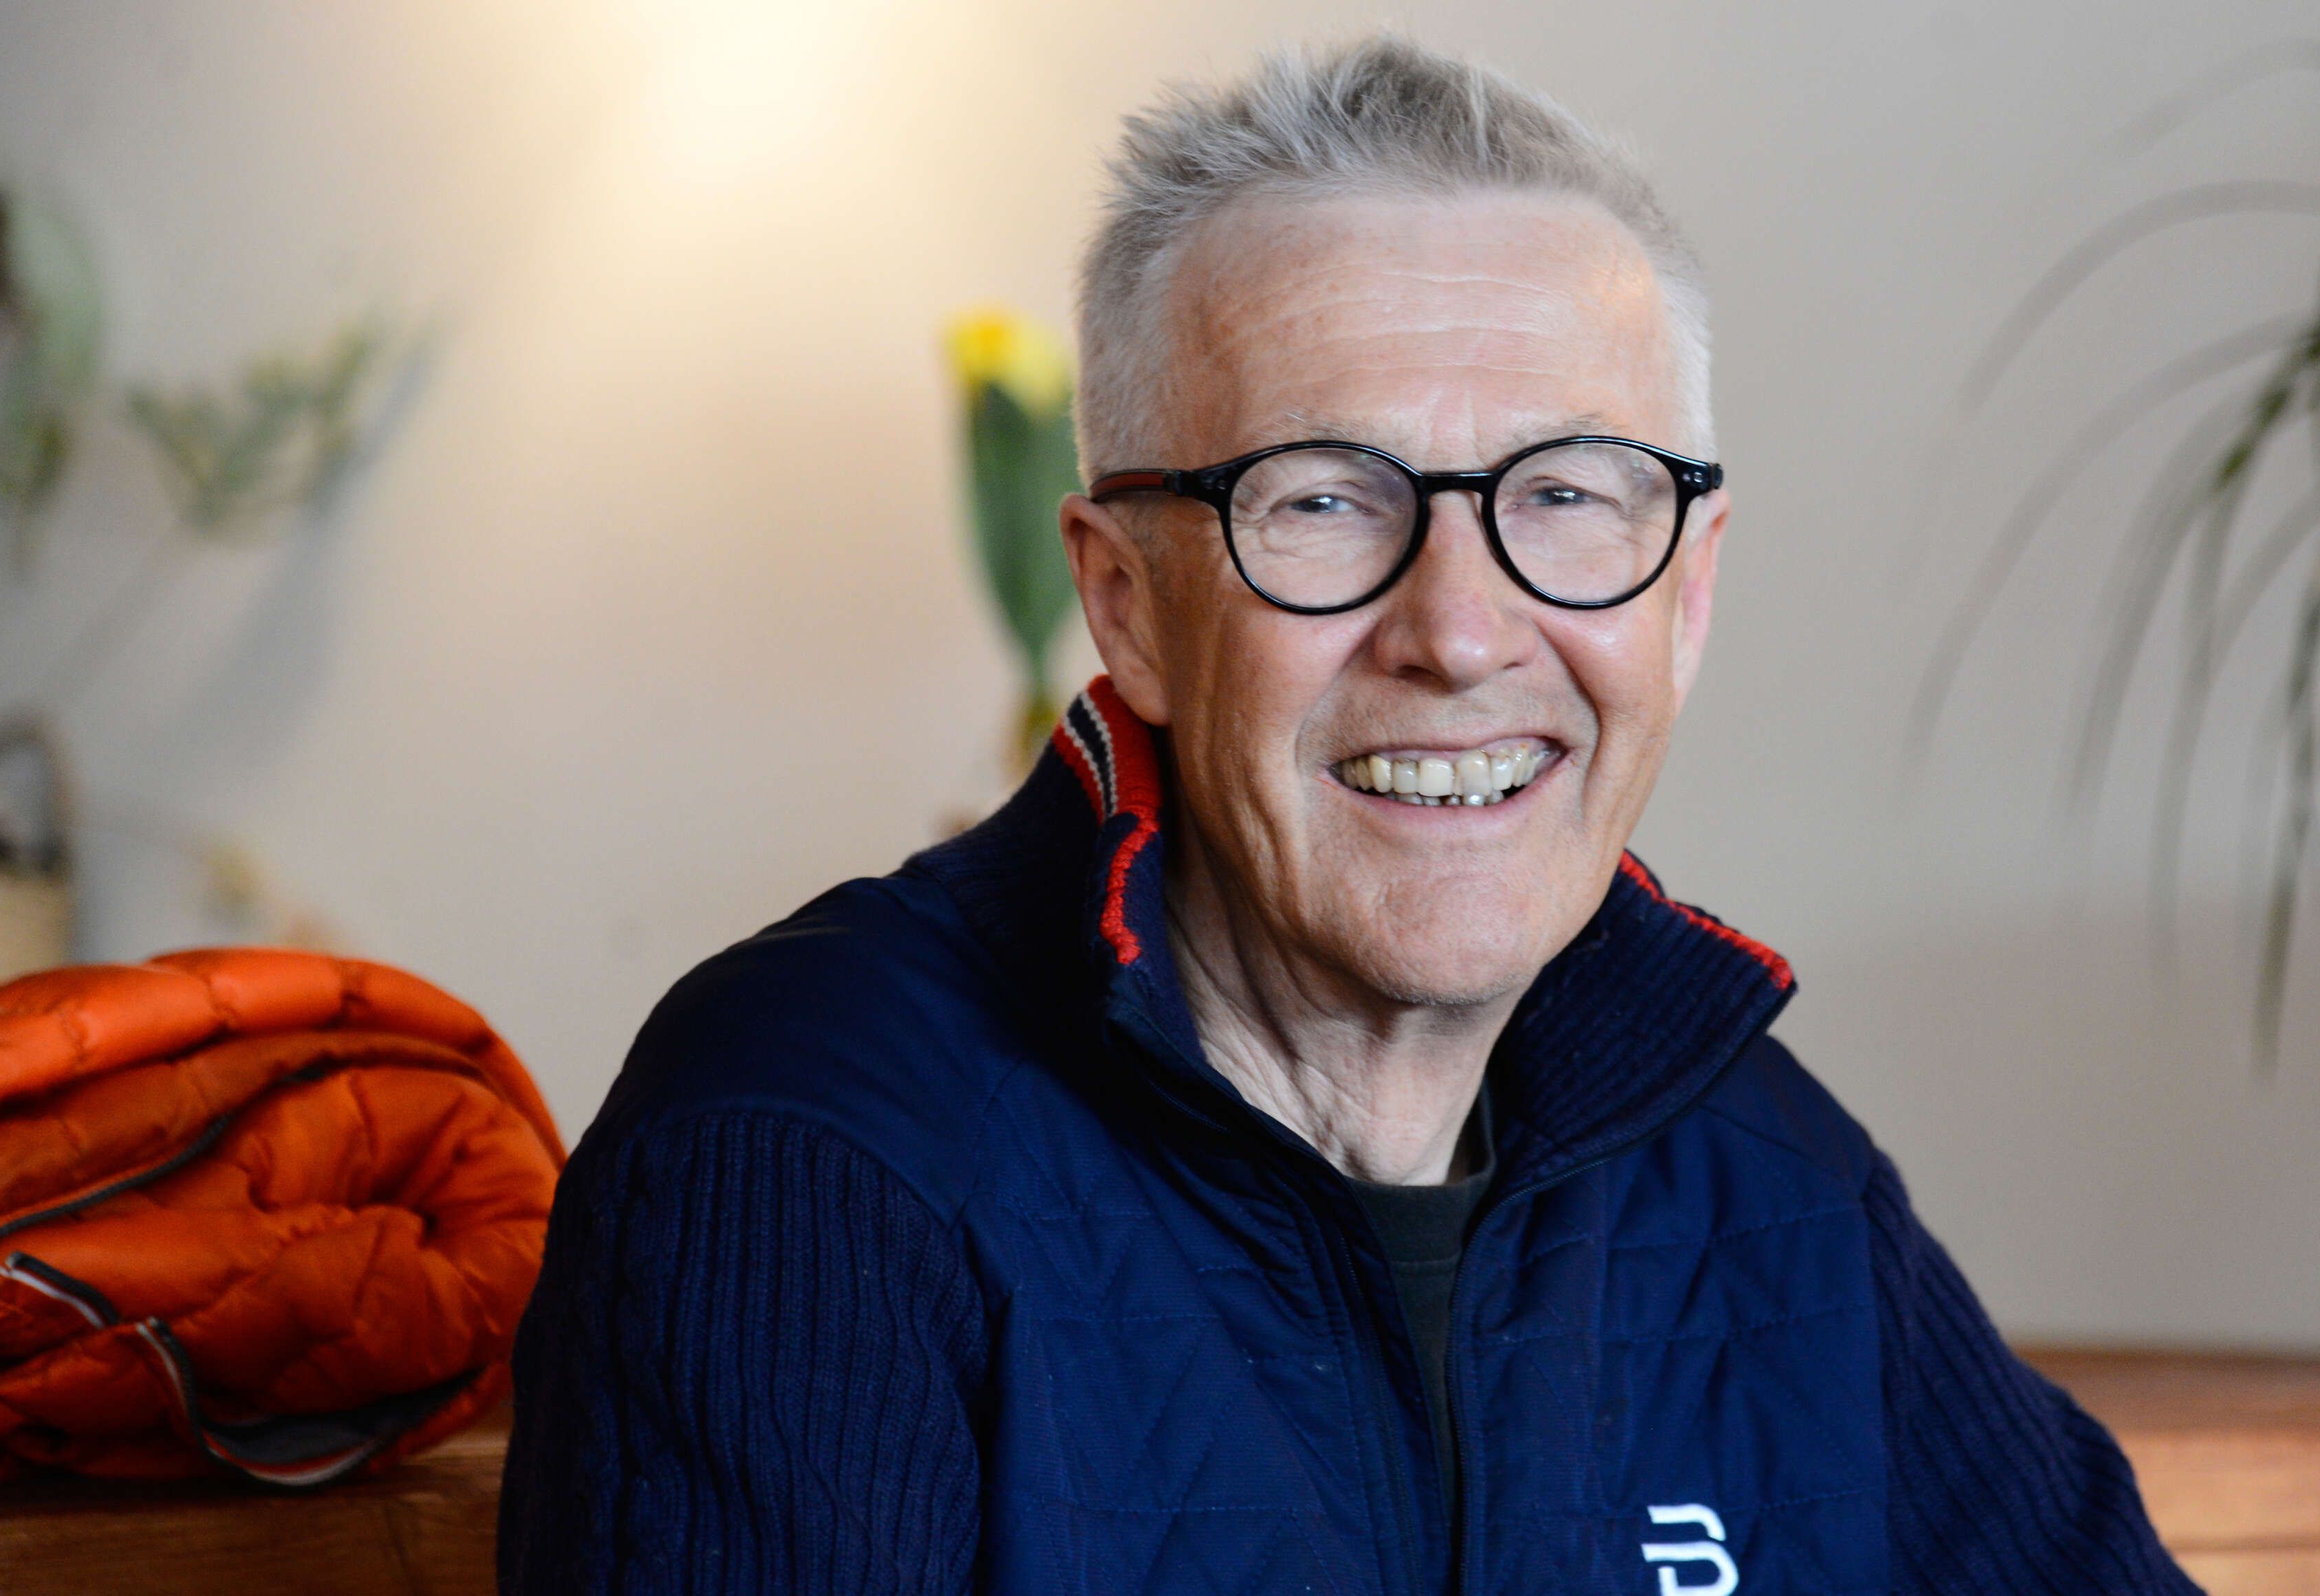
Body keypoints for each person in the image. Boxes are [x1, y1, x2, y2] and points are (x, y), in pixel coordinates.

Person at [500, 35, 2199, 1596]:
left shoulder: (1772, 1190)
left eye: (1565, 494)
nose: (1458, 631)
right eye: (1321, 500)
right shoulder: (802, 1156)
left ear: (1685, 597)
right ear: (1126, 603)